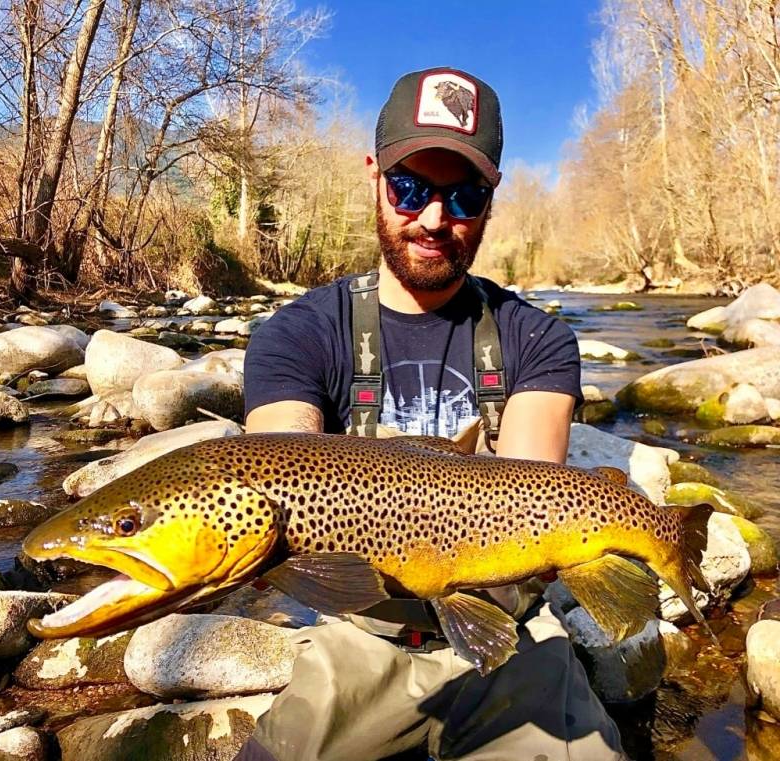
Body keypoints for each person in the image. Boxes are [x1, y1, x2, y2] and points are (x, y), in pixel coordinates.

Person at [236, 68, 625, 761]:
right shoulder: (297, 334)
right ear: (373, 174)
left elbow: (535, 505)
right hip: (361, 640)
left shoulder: (535, 338)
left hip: (511, 639)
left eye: (464, 194)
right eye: (411, 188)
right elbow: (273, 474)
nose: (436, 219)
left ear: (492, 196)